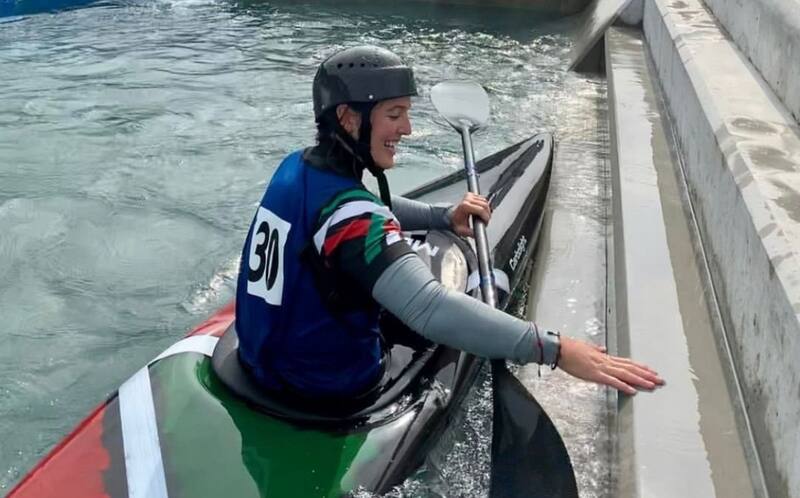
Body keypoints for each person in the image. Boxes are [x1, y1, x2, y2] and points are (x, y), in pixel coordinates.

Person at [235, 45, 663, 400]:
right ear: (349, 118)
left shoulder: (296, 168)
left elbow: (362, 205)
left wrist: (441, 216)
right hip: (323, 384)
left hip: (260, 359)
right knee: (445, 301)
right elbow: (429, 308)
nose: (407, 128)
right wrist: (556, 349)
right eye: (394, 114)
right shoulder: (352, 219)